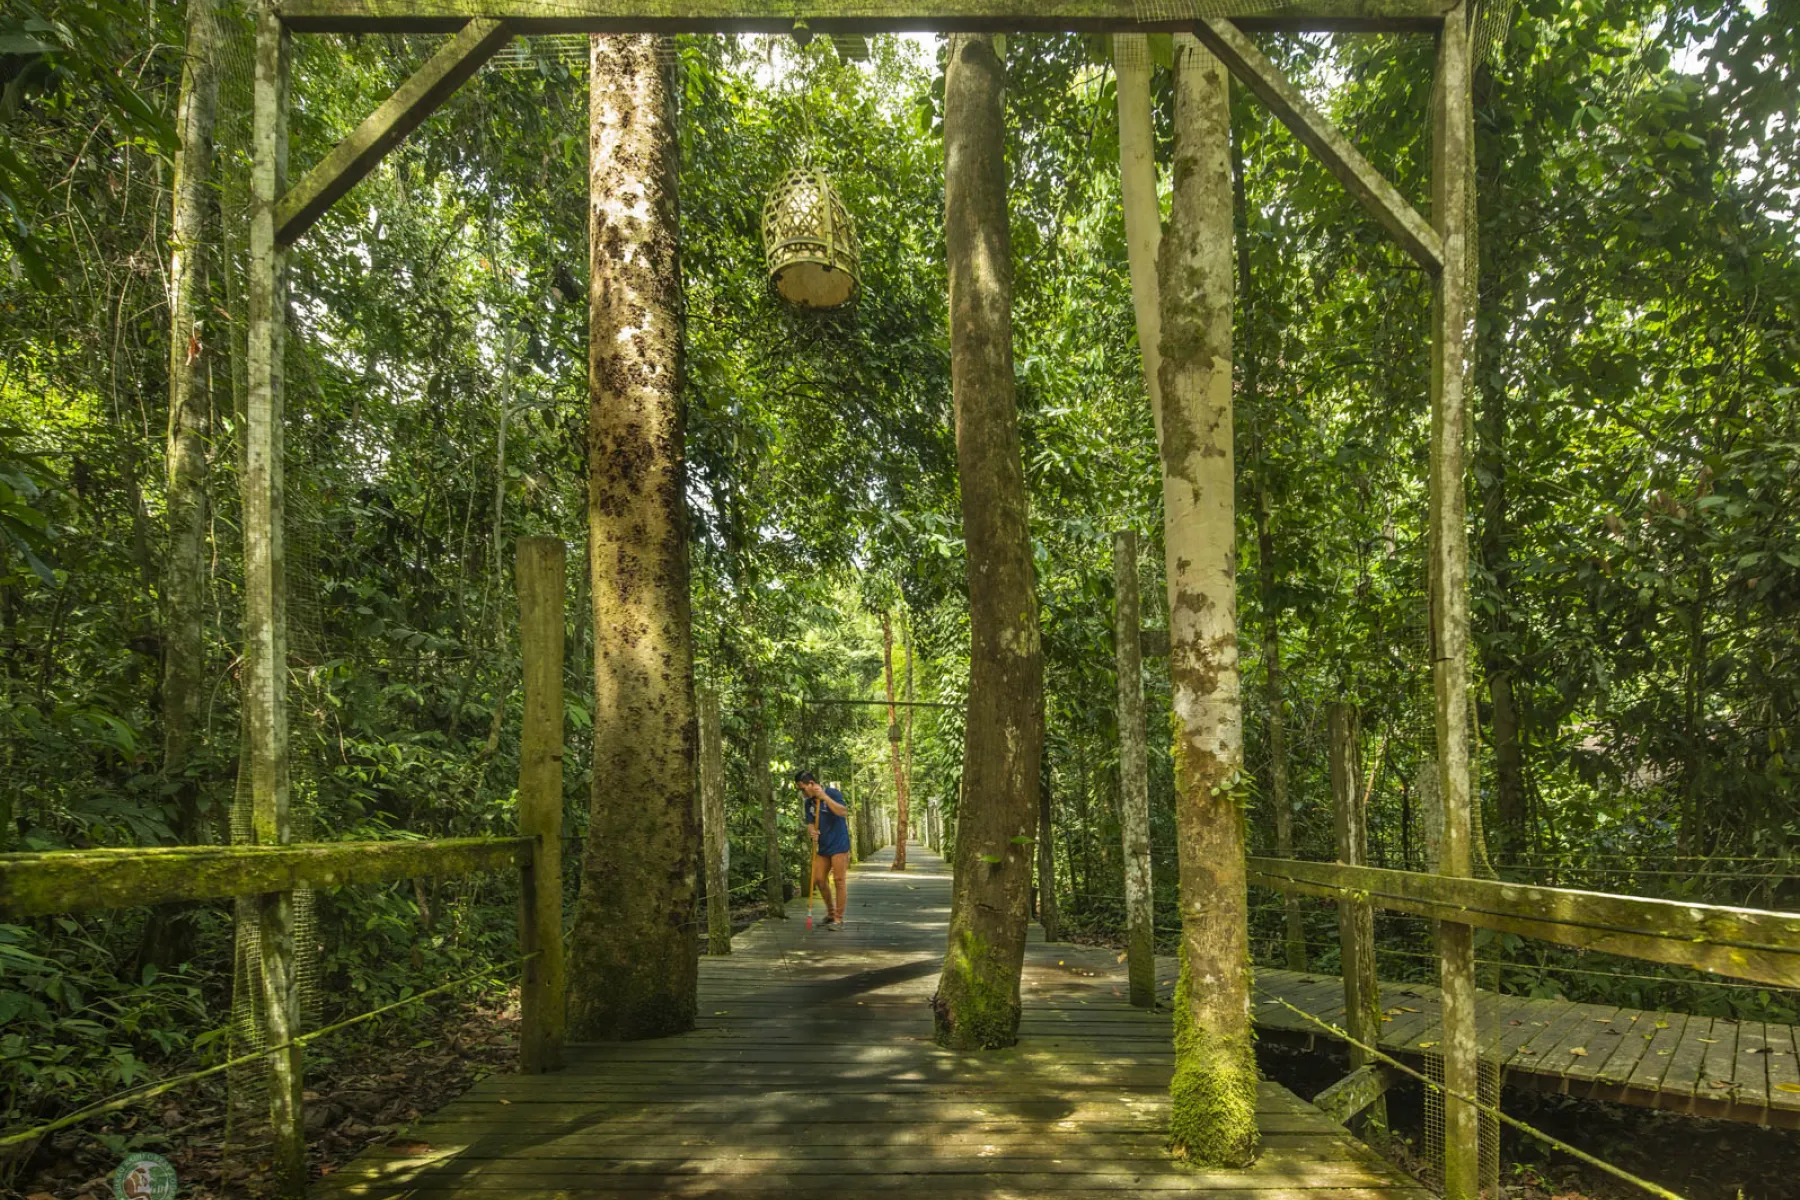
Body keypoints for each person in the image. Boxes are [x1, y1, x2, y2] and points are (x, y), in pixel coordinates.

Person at [795, 770, 850, 929]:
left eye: (802, 788)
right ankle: (831, 913)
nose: (802, 793)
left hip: (839, 844)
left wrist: (825, 798)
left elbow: (843, 812)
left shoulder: (832, 793)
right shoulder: (809, 803)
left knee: (839, 880)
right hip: (824, 846)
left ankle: (838, 918)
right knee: (819, 878)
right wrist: (812, 832)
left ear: (811, 784)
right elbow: (810, 822)